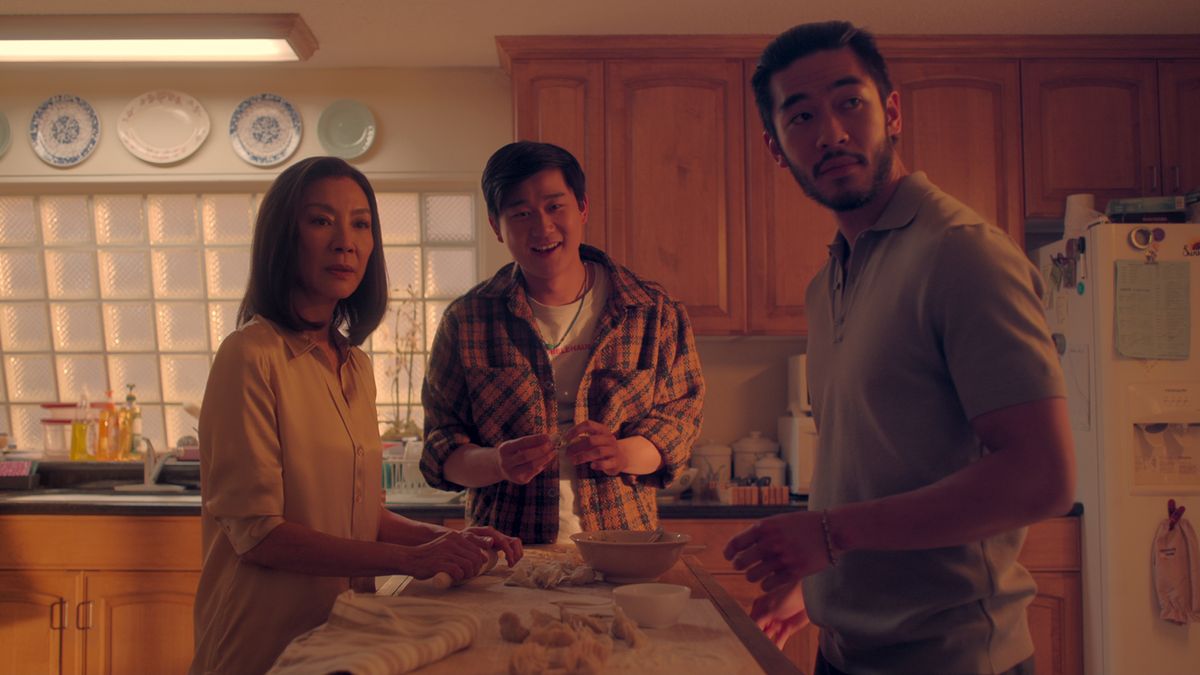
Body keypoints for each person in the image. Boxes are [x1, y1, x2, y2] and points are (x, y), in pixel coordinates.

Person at [724, 21, 1076, 675]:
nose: (829, 132)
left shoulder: (961, 252)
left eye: (849, 102)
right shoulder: (827, 283)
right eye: (800, 116)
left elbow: (1042, 475)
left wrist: (830, 534)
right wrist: (823, 580)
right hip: (847, 649)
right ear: (777, 148)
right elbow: (877, 467)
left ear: (891, 111)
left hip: (957, 660)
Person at [190, 156, 521, 675]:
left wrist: (444, 541)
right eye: (321, 220)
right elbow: (258, 534)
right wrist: (411, 561)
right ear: (284, 237)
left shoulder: (354, 365)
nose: (346, 241)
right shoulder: (250, 355)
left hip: (345, 639)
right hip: (262, 643)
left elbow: (360, 520)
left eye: (361, 224)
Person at [420, 141, 705, 544]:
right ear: (495, 226)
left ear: (582, 207)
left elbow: (679, 424)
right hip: (505, 554)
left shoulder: (652, 312)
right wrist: (497, 462)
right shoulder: (467, 320)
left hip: (622, 548)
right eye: (520, 214)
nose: (542, 228)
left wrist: (621, 453)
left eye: (555, 207)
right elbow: (441, 447)